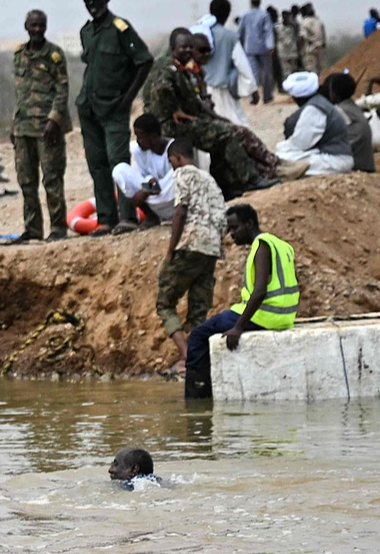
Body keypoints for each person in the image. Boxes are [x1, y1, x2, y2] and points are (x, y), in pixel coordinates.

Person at [184, 203, 299, 399]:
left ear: (250, 224)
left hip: (263, 316)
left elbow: (260, 291)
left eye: (234, 227)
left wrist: (239, 327)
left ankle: (198, 400)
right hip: (284, 317)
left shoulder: (261, 245)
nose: (231, 234)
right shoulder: (281, 245)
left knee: (198, 336)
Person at [147, 32, 277, 198]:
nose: (187, 50)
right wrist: (174, 109)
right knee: (227, 134)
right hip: (172, 125)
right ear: (173, 48)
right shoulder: (170, 68)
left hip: (179, 121)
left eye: (190, 47)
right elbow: (162, 88)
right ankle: (250, 178)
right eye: (183, 47)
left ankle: (225, 187)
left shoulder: (180, 67)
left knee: (219, 136)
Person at [76, 0, 155, 233]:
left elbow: (144, 61)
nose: (93, 5)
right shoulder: (86, 32)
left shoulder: (121, 28)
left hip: (114, 108)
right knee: (97, 164)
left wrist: (128, 97)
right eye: (88, 1)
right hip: (89, 108)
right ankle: (105, 219)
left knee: (118, 163)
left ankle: (127, 217)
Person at [157, 138, 226, 370]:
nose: (172, 166)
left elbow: (180, 211)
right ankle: (198, 358)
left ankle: (187, 356)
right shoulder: (210, 179)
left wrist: (170, 250)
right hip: (212, 249)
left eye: (171, 162)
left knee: (165, 303)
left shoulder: (182, 174)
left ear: (176, 158)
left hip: (190, 245)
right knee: (198, 309)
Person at [10, 9, 72, 242]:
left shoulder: (54, 55)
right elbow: (20, 93)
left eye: (41, 25)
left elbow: (62, 89)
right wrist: (13, 125)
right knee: (26, 181)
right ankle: (33, 229)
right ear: (26, 26)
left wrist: (54, 119)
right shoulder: (19, 54)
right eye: (33, 25)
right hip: (23, 127)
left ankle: (58, 228)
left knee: (52, 179)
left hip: (48, 129)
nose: (37, 30)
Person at [273, 72, 356, 178]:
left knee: (282, 158)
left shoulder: (314, 108)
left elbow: (302, 144)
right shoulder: (320, 103)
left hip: (336, 160)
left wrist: (281, 147)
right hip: (333, 156)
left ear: (295, 97)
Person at [117, 115, 178, 226]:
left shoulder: (174, 148)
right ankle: (151, 217)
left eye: (140, 137)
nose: (138, 141)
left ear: (153, 137)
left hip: (172, 200)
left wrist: (147, 189)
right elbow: (144, 175)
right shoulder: (139, 151)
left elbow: (173, 180)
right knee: (119, 170)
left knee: (177, 175)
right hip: (153, 199)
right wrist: (149, 185)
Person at [200, 0, 250, 124]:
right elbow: (242, 64)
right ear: (228, 14)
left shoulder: (201, 34)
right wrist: (252, 89)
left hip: (204, 89)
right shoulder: (230, 36)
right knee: (234, 122)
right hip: (224, 89)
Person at [325, 71, 376, 174]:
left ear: (334, 93)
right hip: (366, 163)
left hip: (357, 167)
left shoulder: (339, 111)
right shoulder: (353, 108)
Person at [240, 0, 276, 106]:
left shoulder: (246, 15)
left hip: (250, 48)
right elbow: (268, 31)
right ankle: (267, 96)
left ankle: (253, 98)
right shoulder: (264, 15)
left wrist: (239, 45)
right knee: (266, 73)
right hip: (263, 48)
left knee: (252, 73)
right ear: (260, 2)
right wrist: (271, 45)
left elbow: (240, 31)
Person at [299, 3, 327, 73]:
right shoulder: (319, 21)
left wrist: (300, 50)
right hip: (320, 48)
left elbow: (302, 37)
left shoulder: (304, 23)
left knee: (311, 70)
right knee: (321, 70)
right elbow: (324, 36)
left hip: (310, 49)